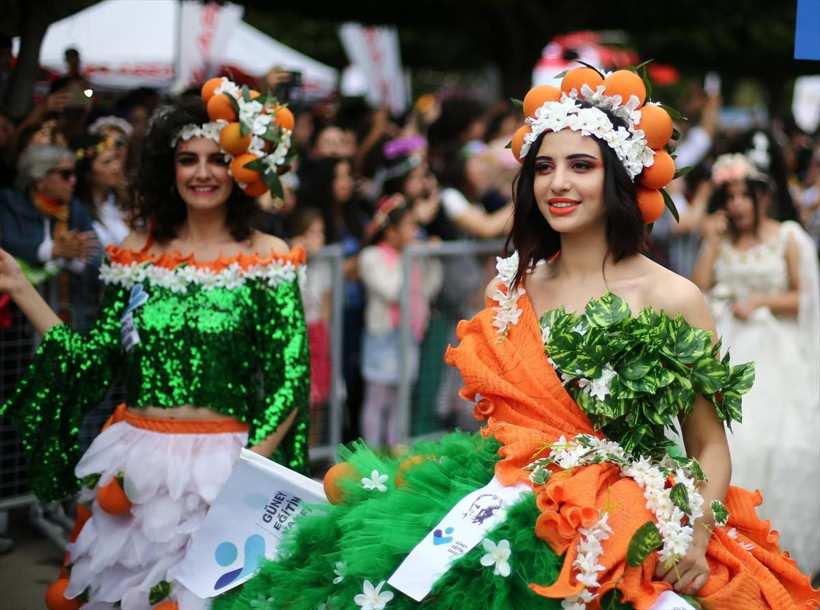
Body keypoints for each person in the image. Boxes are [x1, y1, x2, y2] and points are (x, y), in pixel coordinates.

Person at [211, 66, 819, 610]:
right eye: (545, 166)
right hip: (508, 503)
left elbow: (709, 446)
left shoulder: (672, 296)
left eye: (582, 166)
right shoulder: (513, 289)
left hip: (626, 517)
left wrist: (698, 529)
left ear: (620, 177)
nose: (559, 183)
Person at [0, 82, 310, 609]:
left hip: (223, 470)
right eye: (188, 159)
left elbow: (290, 379)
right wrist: (20, 287)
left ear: (241, 167)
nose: (203, 173)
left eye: (217, 159)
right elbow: (95, 358)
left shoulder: (268, 256)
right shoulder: (134, 253)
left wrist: (245, 478)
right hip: (134, 470)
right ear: (169, 169)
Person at [691, 152, 820, 576]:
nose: (738, 204)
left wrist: (762, 301)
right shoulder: (723, 240)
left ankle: (775, 540)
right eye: (730, 196)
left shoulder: (789, 237)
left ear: (763, 197)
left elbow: (806, 297)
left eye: (746, 195)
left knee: (776, 440)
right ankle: (729, 541)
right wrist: (711, 241)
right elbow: (699, 288)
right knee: (727, 440)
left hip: (776, 351)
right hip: (730, 348)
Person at [358, 194, 442, 448]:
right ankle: (370, 456)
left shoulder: (413, 255)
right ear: (391, 231)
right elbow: (392, 290)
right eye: (409, 226)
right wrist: (409, 258)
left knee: (400, 400)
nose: (414, 232)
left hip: (411, 334)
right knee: (378, 399)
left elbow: (431, 288)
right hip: (384, 335)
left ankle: (396, 454)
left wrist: (431, 258)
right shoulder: (371, 257)